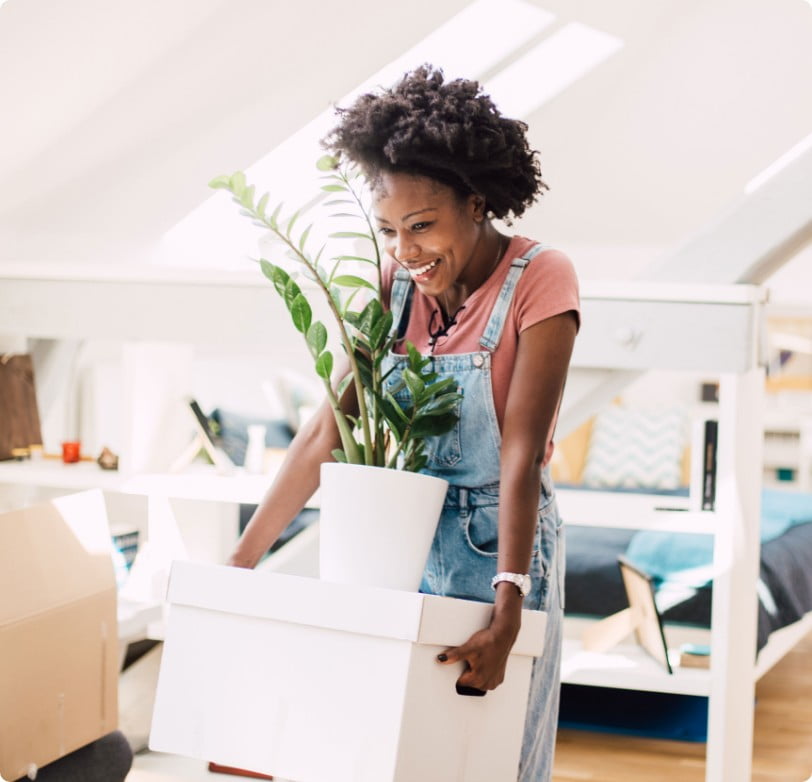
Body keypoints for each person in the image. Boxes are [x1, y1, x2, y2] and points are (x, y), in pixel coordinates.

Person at [228, 64, 580, 782]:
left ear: (477, 203)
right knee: (395, 754)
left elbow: (519, 456)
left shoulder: (542, 279)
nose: (405, 252)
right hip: (400, 543)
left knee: (492, 757)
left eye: (422, 227)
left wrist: (507, 609)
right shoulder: (392, 289)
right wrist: (241, 562)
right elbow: (326, 432)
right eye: (389, 231)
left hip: (501, 546)